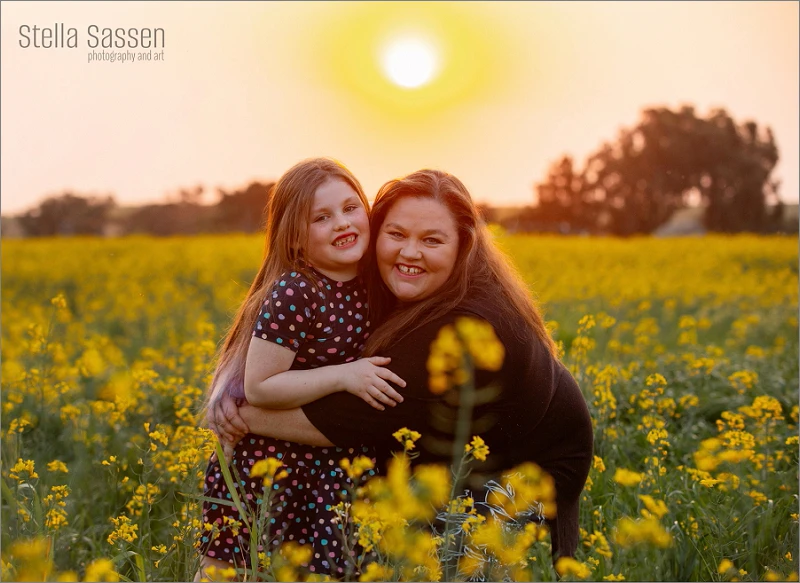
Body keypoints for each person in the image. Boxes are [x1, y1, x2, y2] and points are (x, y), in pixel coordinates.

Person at [209, 168, 594, 562]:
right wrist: (237, 381)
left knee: (413, 560)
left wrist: (241, 411)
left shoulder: (467, 324)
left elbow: (343, 421)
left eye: (432, 240)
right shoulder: (381, 283)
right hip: (458, 459)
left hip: (525, 477)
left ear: (464, 245)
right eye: (396, 234)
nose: (410, 253)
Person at [196, 157, 407, 580]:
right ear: (293, 238)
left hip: (329, 470)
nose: (342, 223)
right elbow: (260, 386)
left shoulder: (371, 282)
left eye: (351, 208)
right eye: (321, 218)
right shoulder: (298, 291)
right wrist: (345, 374)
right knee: (230, 572)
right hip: (267, 466)